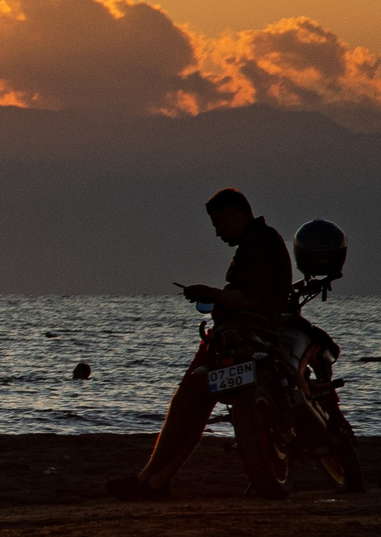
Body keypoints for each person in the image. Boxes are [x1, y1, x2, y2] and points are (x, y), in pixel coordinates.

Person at [106, 188, 292, 501]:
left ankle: (149, 479)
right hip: (249, 334)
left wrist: (209, 292)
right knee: (196, 408)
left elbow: (250, 298)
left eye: (219, 224)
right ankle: (156, 480)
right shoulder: (262, 241)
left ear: (236, 216)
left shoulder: (257, 243)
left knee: (188, 401)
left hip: (240, 337)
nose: (217, 233)